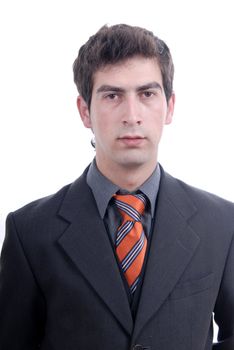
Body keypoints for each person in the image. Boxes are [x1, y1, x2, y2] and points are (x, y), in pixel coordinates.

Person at [0, 24, 234, 350]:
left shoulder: (222, 223)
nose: (132, 115)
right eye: (112, 96)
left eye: (147, 94)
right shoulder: (30, 232)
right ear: (85, 111)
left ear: (170, 106)